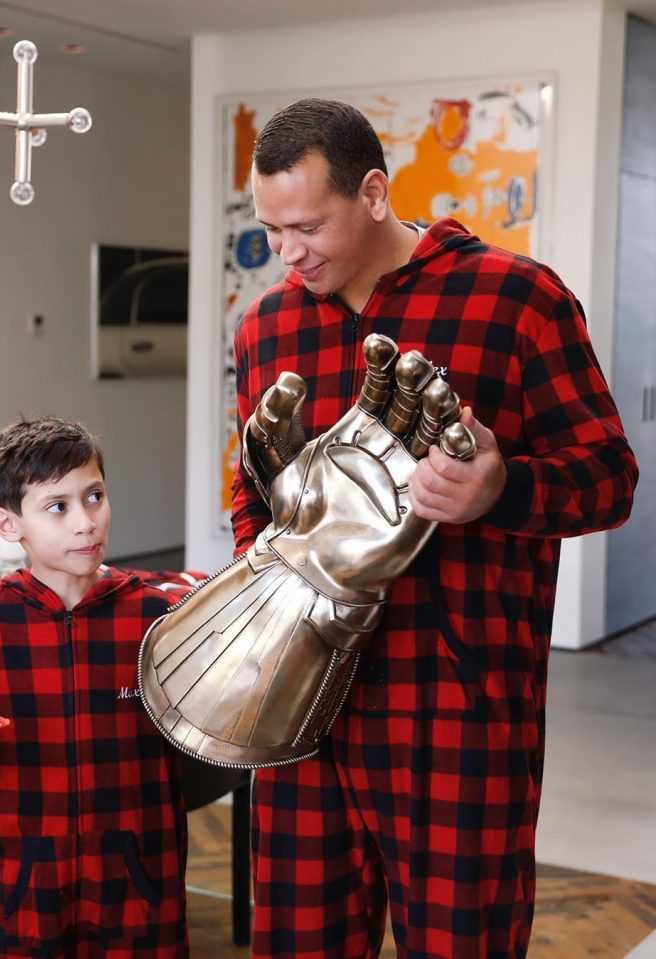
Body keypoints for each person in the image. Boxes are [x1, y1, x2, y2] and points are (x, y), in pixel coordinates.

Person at [231, 98, 638, 959]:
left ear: (374, 193)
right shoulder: (266, 326)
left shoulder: (518, 299)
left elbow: (610, 479)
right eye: (271, 231)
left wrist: (502, 489)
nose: (288, 253)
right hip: (300, 712)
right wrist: (259, 580)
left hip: (456, 714)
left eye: (308, 227)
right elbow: (251, 494)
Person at [0, 417, 189, 959]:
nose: (85, 523)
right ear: (8, 524)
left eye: (94, 497)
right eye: (57, 507)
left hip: (143, 895)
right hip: (30, 899)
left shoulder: (157, 617)